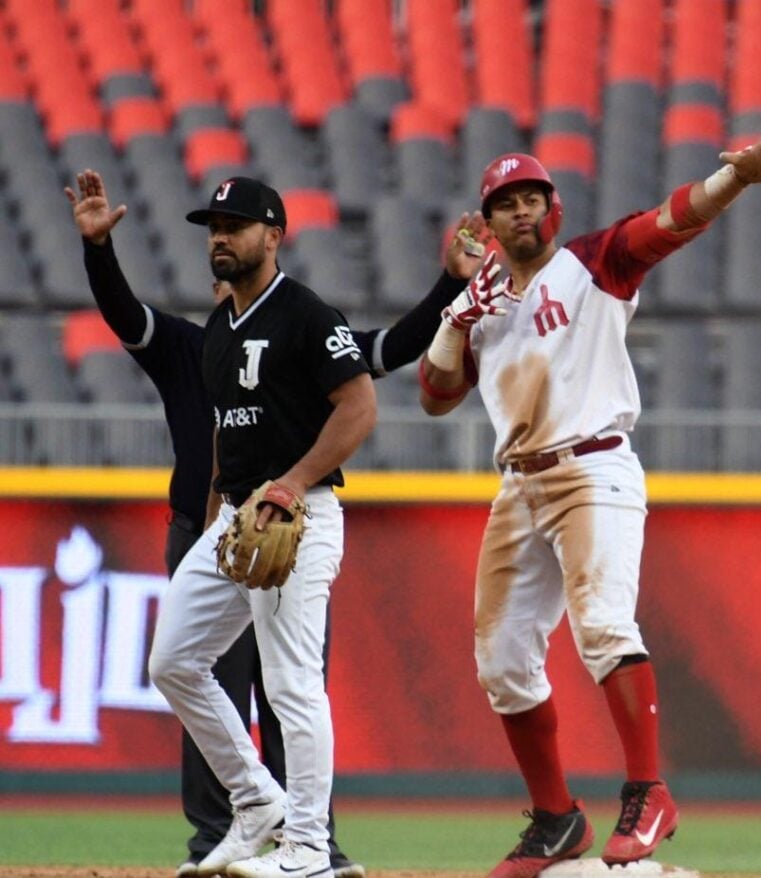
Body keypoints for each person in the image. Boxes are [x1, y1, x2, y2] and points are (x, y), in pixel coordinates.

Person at [64, 170, 485, 878]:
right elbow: (227, 438)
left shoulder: (303, 315)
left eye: (233, 226)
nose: (220, 238)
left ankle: (311, 850)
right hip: (232, 522)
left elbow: (364, 395)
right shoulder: (214, 337)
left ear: (273, 234)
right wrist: (214, 525)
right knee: (173, 661)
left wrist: (289, 485)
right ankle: (256, 800)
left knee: (290, 686)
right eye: (212, 228)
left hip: (299, 514)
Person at [418, 131, 761, 877]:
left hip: (593, 467)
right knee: (501, 662)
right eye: (505, 206)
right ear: (488, 224)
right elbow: (436, 399)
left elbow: (671, 220)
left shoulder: (591, 263)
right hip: (519, 485)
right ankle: (557, 822)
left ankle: (648, 789)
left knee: (602, 623)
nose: (521, 213)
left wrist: (733, 181)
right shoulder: (485, 300)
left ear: (554, 211)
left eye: (532, 198)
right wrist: (454, 315)